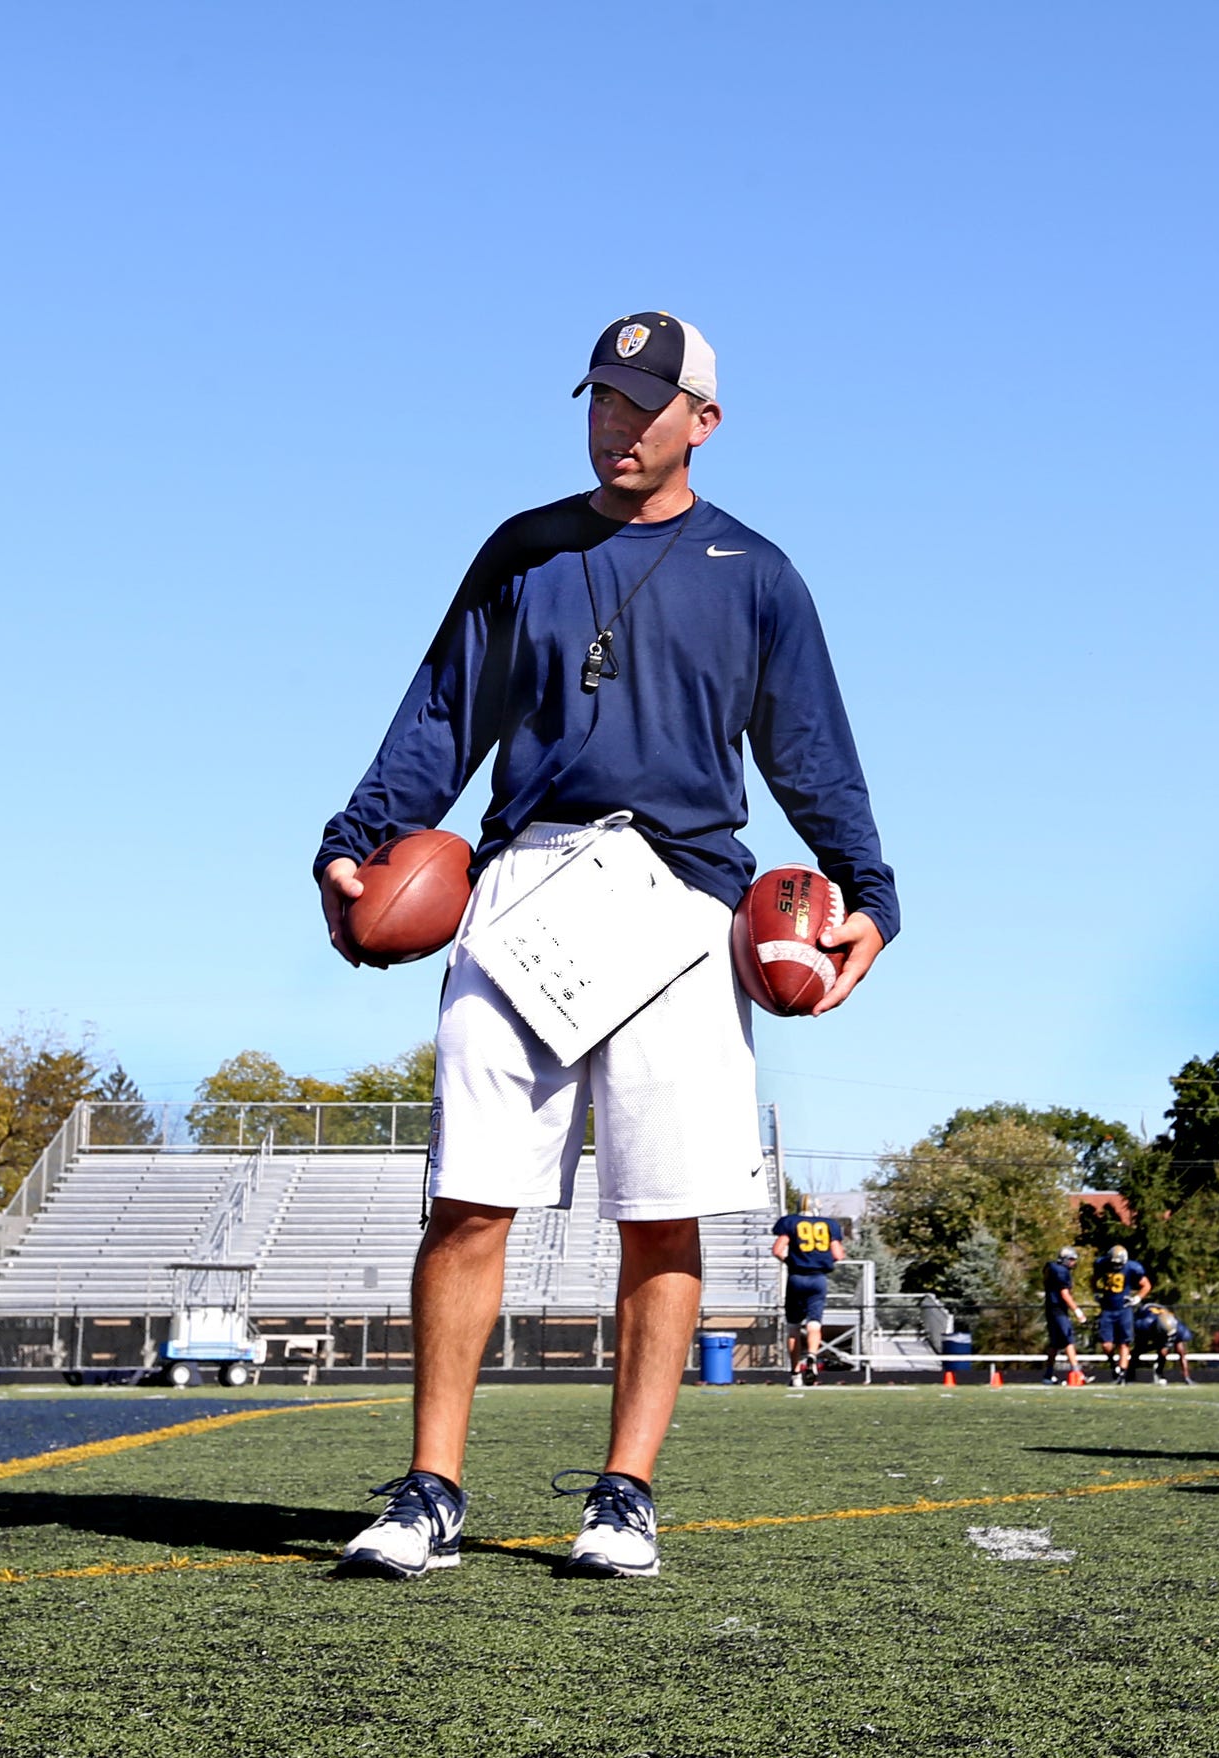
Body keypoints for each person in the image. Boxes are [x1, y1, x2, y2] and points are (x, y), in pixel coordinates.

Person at [314, 313, 897, 1582]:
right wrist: (354, 835)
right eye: (601, 400)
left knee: (661, 1213)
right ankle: (429, 1491)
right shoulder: (520, 550)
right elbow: (438, 718)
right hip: (524, 882)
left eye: (646, 404)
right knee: (468, 1197)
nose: (618, 425)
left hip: (683, 902)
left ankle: (624, 1494)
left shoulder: (756, 573)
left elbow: (810, 754)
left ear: (704, 420)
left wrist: (869, 891)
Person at [768, 1197, 840, 1388]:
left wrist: (792, 1261)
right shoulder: (828, 1224)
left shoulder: (791, 1222)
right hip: (818, 1279)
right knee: (814, 1323)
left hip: (796, 1278)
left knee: (793, 1327)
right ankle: (812, 1355)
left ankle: (795, 1374)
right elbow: (838, 1254)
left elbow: (777, 1250)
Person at [1091, 1245, 1151, 1384]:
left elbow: (1146, 1285)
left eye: (1119, 1264)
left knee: (1124, 1343)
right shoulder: (1102, 1264)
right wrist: (1095, 1292)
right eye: (1114, 1263)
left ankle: (1122, 1374)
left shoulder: (1132, 1268)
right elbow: (1093, 1279)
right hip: (1107, 1309)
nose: (1116, 1266)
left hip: (1124, 1309)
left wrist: (1137, 1298)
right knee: (1106, 1345)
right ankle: (1113, 1365)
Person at [1039, 1247, 1087, 1385]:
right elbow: (1064, 1294)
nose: (1073, 1262)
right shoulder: (1061, 1272)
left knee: (1055, 1344)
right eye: (1071, 1259)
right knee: (1068, 1338)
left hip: (1051, 1308)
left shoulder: (1052, 1268)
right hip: (1058, 1309)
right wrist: (1077, 1311)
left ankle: (1047, 1375)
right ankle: (1077, 1372)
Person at [1134, 1302, 1195, 1385]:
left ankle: (1187, 1377)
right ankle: (1130, 1374)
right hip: (1149, 1319)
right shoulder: (1144, 1323)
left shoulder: (1179, 1328)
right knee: (1140, 1350)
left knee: (1181, 1351)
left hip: (1167, 1326)